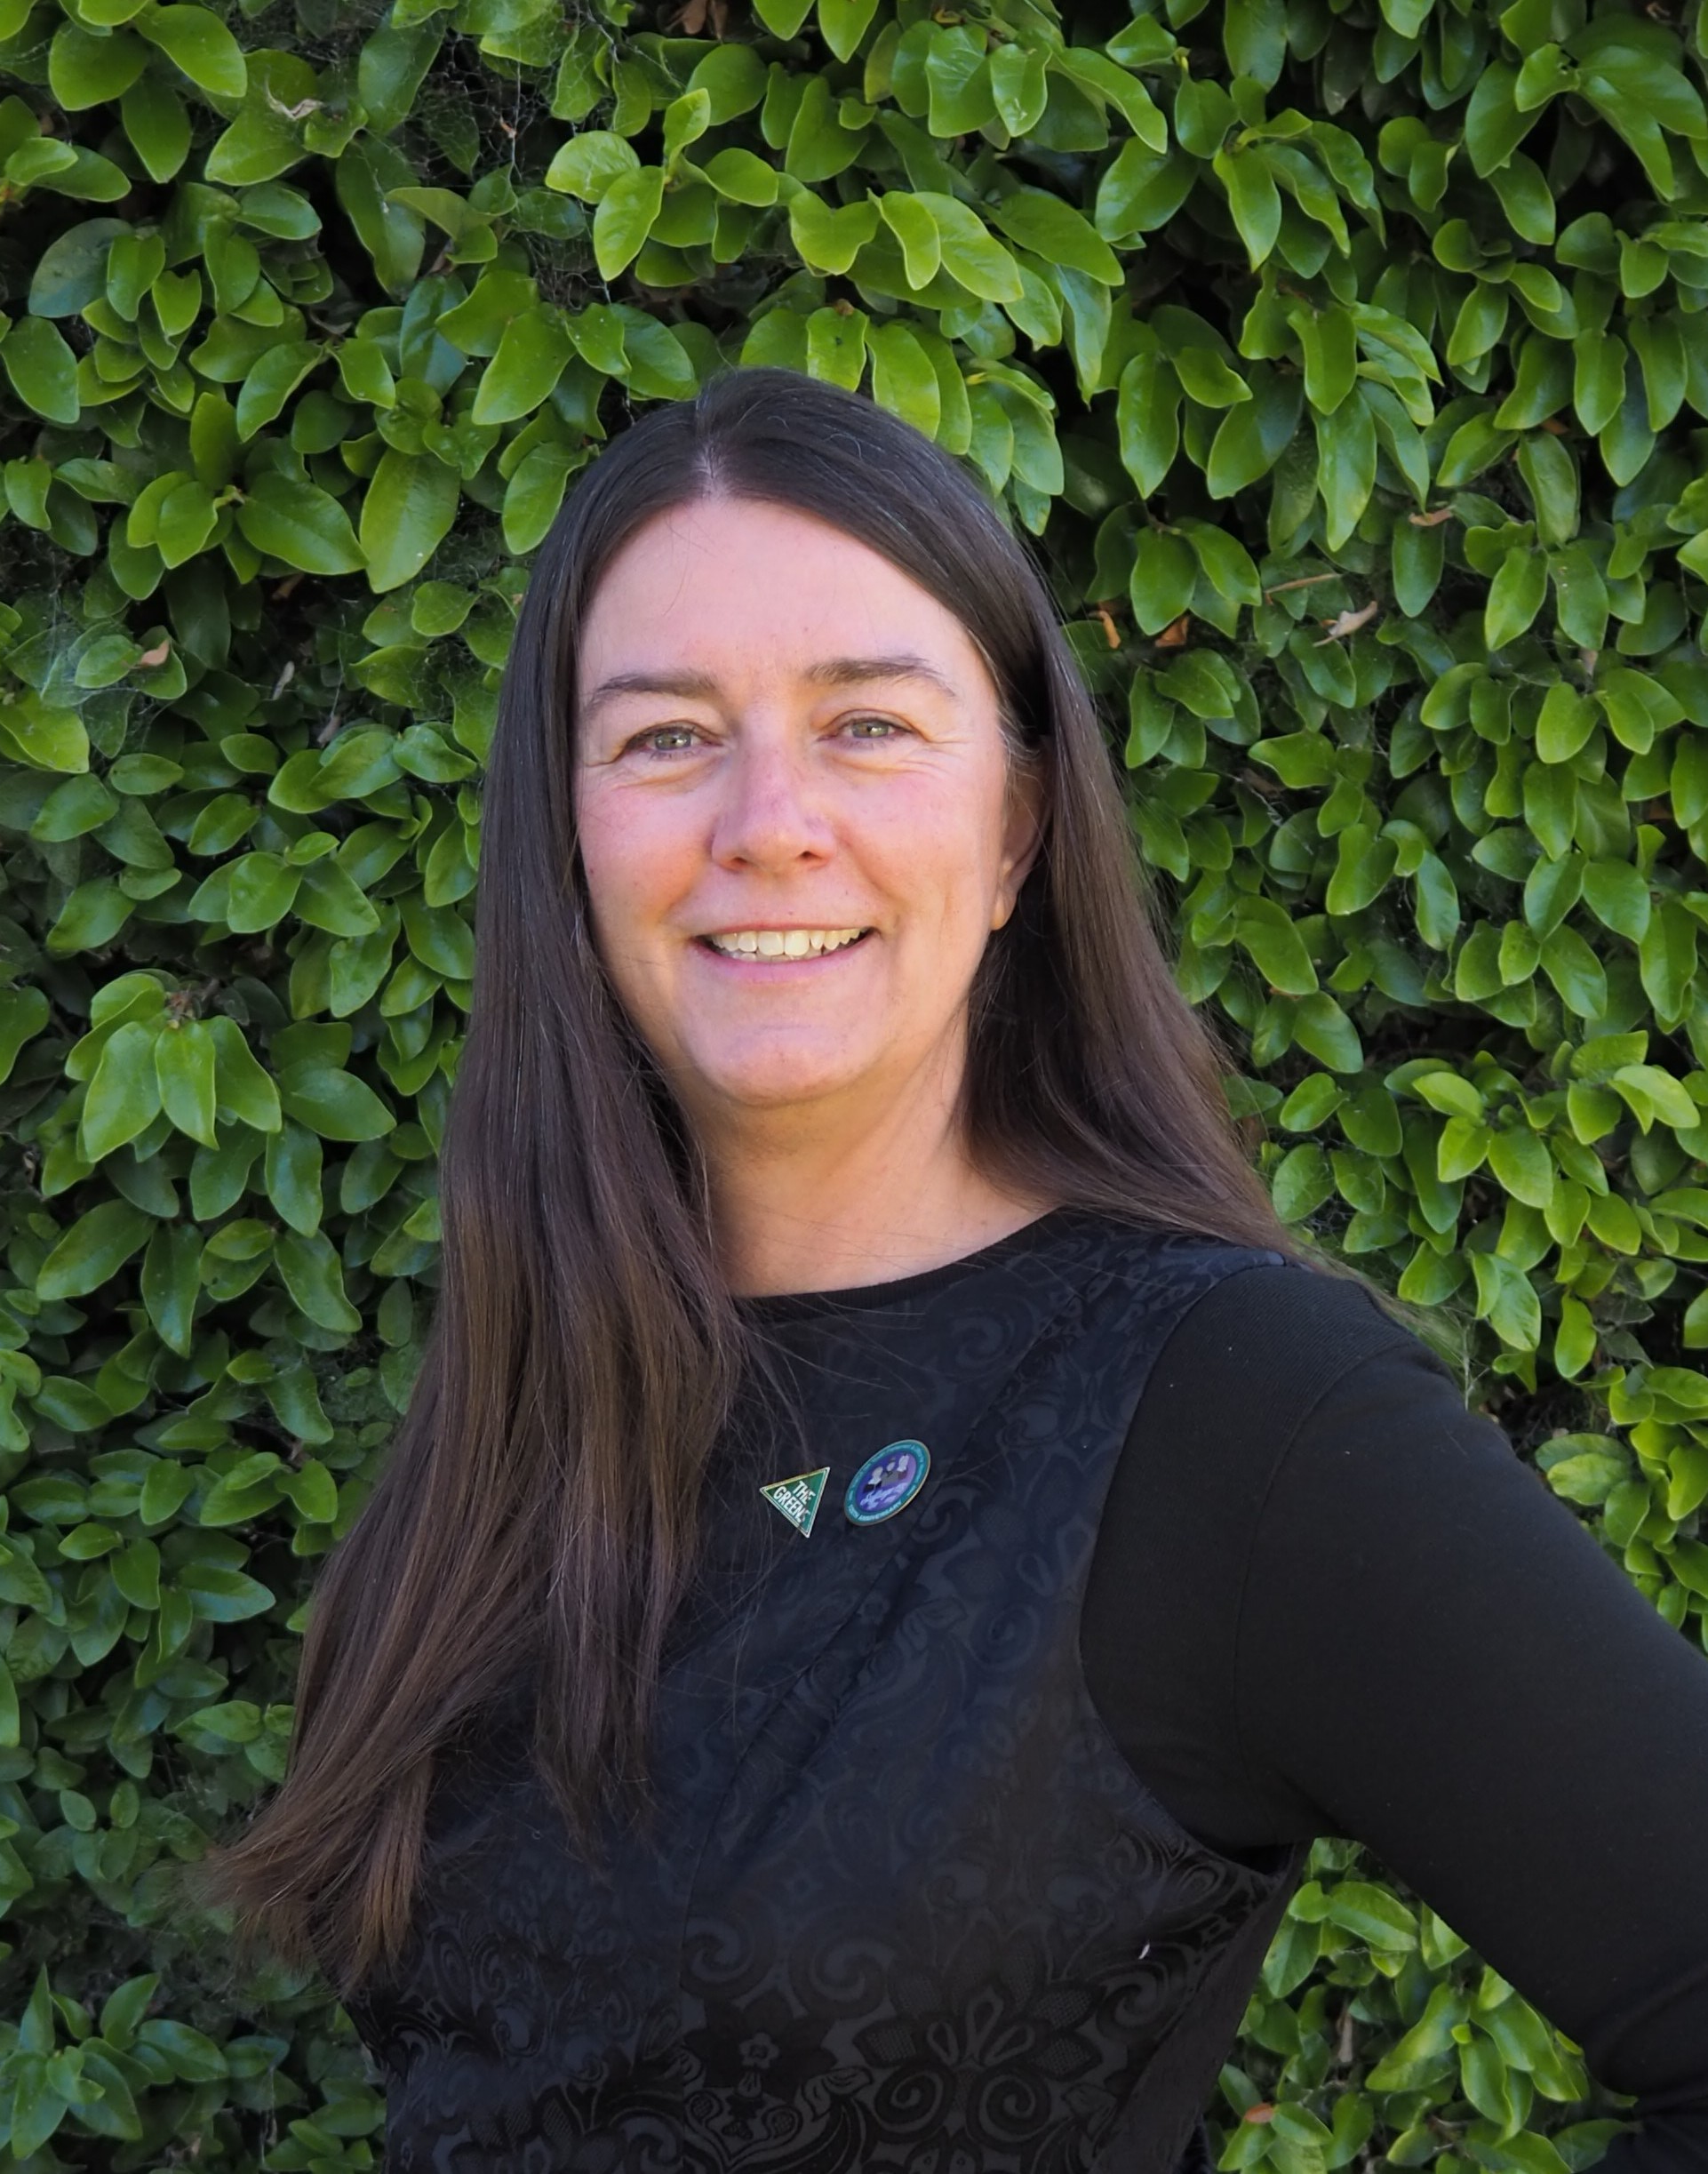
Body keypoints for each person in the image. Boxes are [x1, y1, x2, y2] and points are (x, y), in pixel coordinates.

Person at [204, 367, 1708, 2172]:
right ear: (566, 833)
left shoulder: (1225, 1411)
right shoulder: (541, 1386)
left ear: (1013, 830)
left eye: (868, 723)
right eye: (666, 736)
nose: (768, 819)